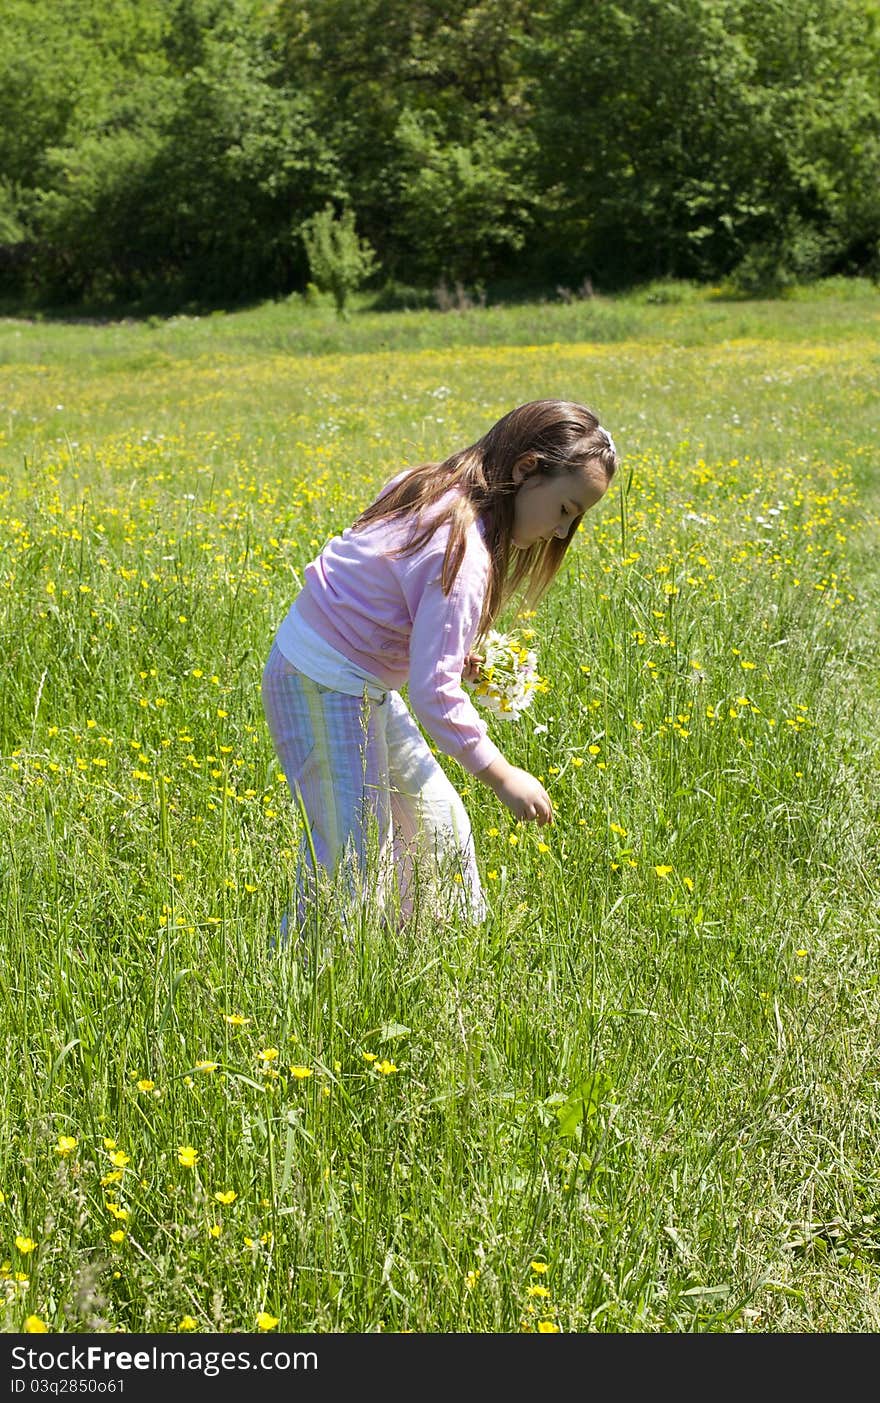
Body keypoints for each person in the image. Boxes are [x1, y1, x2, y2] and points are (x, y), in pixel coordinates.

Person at [261, 399, 618, 939]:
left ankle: (430, 958)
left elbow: (389, 582)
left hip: (353, 679)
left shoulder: (429, 484)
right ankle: (298, 982)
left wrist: (445, 645)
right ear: (526, 470)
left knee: (437, 826)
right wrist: (503, 777)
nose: (562, 532)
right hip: (321, 682)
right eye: (566, 509)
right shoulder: (466, 556)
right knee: (349, 859)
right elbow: (434, 694)